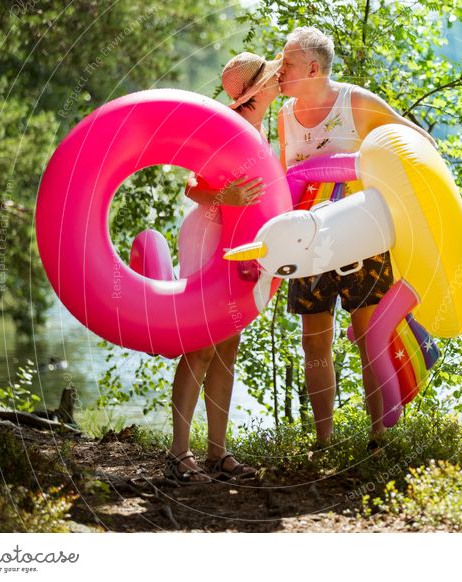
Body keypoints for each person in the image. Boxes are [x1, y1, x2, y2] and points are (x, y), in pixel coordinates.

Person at [276, 27, 435, 454]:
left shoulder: (355, 102)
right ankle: (324, 441)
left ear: (312, 67)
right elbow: (283, 179)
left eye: (286, 62)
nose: (279, 69)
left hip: (362, 240)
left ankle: (379, 437)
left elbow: (417, 141)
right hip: (307, 245)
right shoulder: (285, 114)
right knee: (314, 341)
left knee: (369, 336)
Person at [165, 51, 283, 483]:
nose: (279, 80)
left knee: (228, 345)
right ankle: (179, 453)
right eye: (273, 77)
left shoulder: (261, 126)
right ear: (257, 92)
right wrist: (224, 199)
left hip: (239, 242)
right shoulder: (225, 126)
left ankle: (218, 453)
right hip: (207, 236)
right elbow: (192, 186)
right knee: (199, 343)